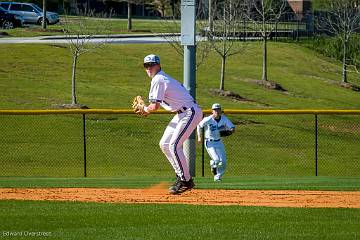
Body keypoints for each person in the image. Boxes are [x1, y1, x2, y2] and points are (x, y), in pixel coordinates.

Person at [139, 54, 203, 194]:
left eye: (151, 65)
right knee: (164, 144)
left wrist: (144, 109)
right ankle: (181, 176)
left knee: (174, 145)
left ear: (158, 65)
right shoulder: (160, 78)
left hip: (189, 112)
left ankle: (186, 181)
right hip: (181, 113)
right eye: (146, 66)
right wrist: (146, 108)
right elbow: (156, 104)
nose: (149, 68)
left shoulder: (158, 79)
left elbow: (154, 107)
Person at [197, 103, 235, 181]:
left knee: (223, 161)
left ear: (220, 110)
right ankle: (213, 163)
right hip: (209, 142)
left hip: (219, 142)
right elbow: (199, 126)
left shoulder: (224, 119)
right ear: (212, 111)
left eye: (218, 109)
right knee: (217, 159)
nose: (216, 111)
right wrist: (199, 137)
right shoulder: (208, 119)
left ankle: (217, 177)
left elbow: (232, 127)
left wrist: (231, 131)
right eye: (215, 110)